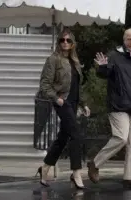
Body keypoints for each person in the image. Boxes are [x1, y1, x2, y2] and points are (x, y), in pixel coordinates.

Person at [87, 28, 131, 189]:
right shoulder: (115, 56)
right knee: (121, 138)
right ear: (124, 40)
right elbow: (105, 73)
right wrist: (102, 67)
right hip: (118, 106)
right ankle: (95, 163)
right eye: (128, 39)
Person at [35, 28, 90, 189]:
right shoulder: (53, 59)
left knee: (63, 138)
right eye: (62, 40)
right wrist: (56, 99)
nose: (65, 43)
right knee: (76, 135)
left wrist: (83, 103)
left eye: (68, 40)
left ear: (73, 44)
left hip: (73, 103)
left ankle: (45, 167)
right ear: (58, 42)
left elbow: (78, 86)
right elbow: (45, 84)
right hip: (62, 102)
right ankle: (76, 173)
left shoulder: (75, 61)